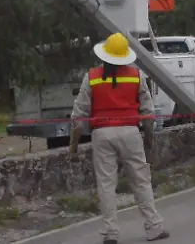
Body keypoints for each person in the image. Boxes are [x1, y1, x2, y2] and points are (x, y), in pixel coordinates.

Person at [71, 33, 169, 243]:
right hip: (130, 132)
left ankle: (110, 233)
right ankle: (153, 226)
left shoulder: (92, 76)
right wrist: (149, 139)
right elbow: (148, 113)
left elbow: (79, 116)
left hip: (102, 134)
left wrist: (74, 146)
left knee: (106, 184)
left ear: (105, 54)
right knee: (141, 180)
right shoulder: (136, 75)